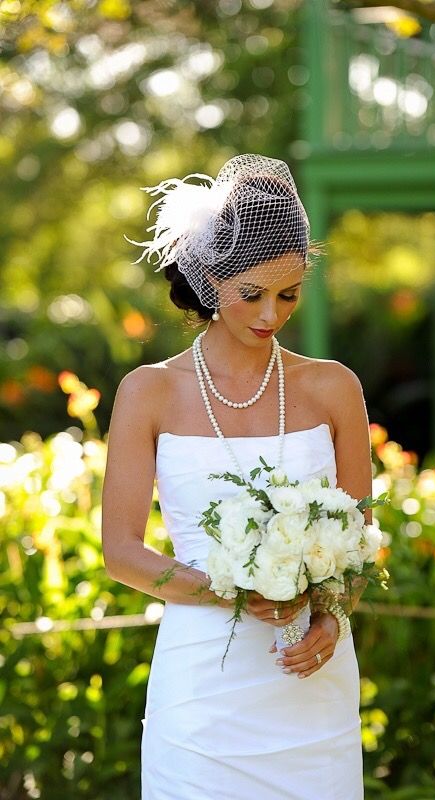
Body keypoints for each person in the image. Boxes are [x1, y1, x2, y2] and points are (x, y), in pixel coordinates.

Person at [102, 154, 372, 799]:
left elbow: (361, 535)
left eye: (289, 293)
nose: (271, 314)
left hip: (312, 686)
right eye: (250, 293)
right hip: (201, 690)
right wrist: (234, 594)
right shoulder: (149, 392)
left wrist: (331, 617)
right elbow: (121, 553)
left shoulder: (334, 388)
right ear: (208, 279)